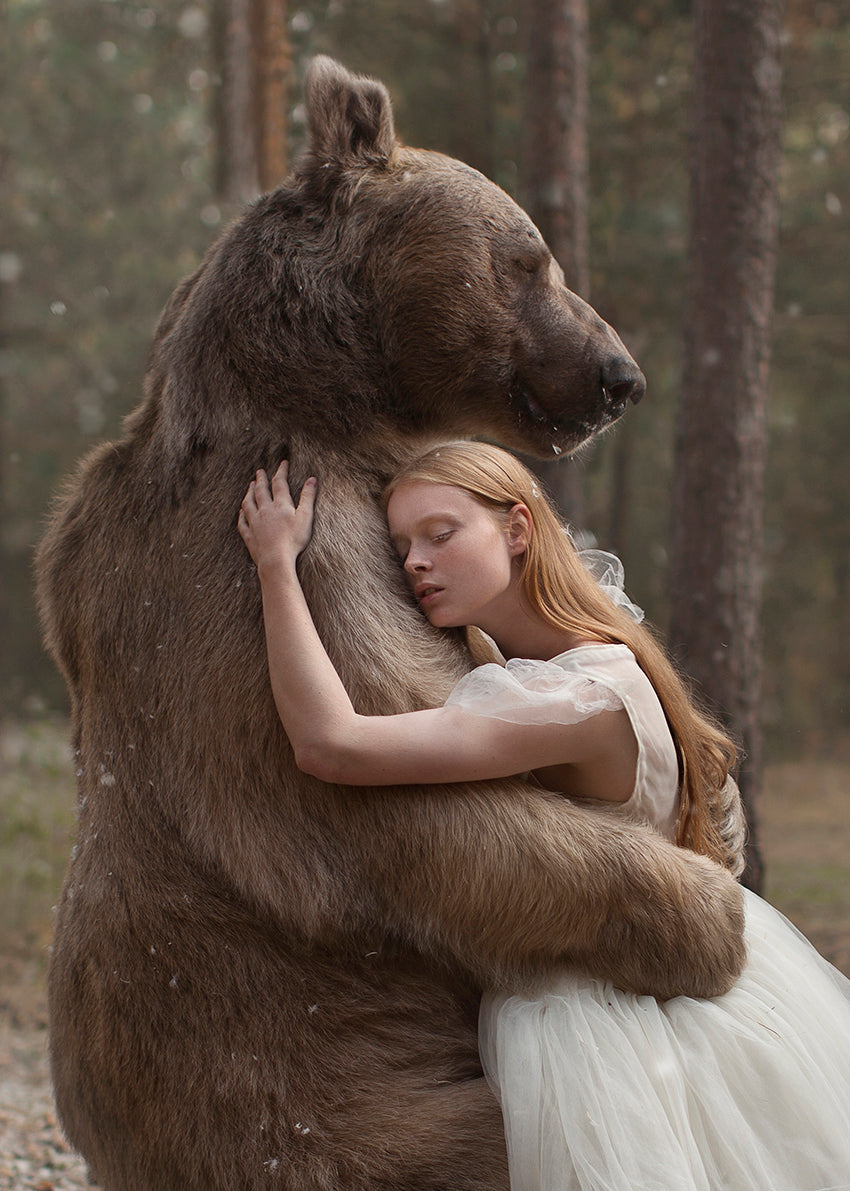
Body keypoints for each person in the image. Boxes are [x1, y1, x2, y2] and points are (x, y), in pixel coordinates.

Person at [238, 442, 850, 1191]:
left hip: (592, 1021)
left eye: (441, 533)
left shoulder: (578, 698)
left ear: (518, 529)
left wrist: (276, 565)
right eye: (400, 545)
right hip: (649, 989)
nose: (414, 563)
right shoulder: (585, 657)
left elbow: (331, 744)